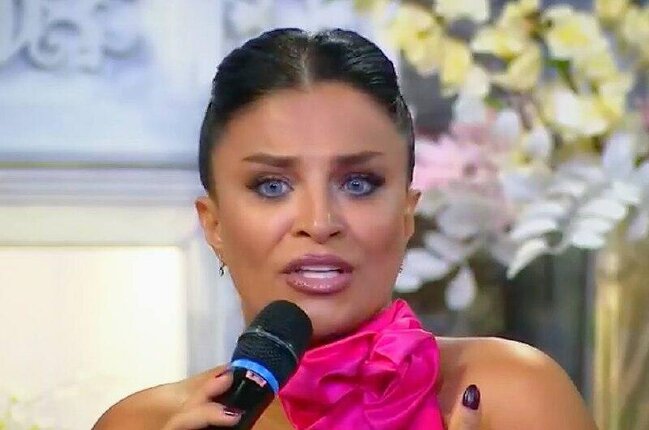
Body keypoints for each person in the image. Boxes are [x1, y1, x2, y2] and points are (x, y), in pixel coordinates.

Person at [93, 28, 598, 430]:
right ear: (215, 223)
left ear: (406, 215)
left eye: (358, 183)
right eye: (271, 185)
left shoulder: (509, 395)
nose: (319, 223)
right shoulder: (142, 423)